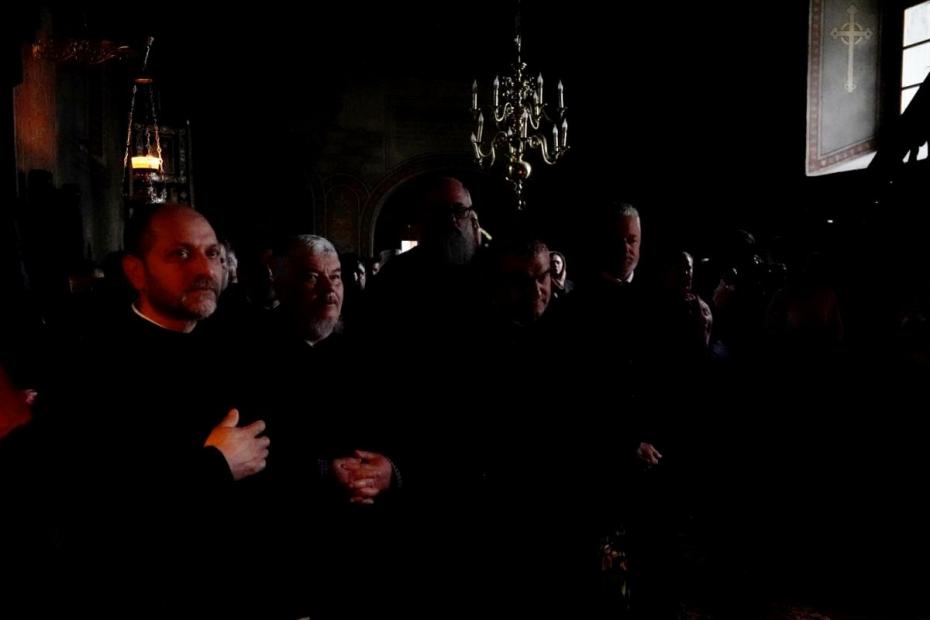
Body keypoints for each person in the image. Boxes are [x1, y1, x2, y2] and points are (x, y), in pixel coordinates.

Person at [35, 204, 269, 615]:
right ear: (136, 272)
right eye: (181, 254)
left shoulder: (242, 348)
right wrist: (214, 466)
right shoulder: (89, 369)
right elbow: (87, 508)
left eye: (212, 253)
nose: (205, 269)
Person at [263, 235, 403, 618]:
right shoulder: (251, 356)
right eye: (312, 277)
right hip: (287, 552)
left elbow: (410, 433)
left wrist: (391, 471)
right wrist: (322, 472)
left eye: (336, 276)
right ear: (282, 286)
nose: (329, 290)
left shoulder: (375, 352)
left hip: (369, 554)